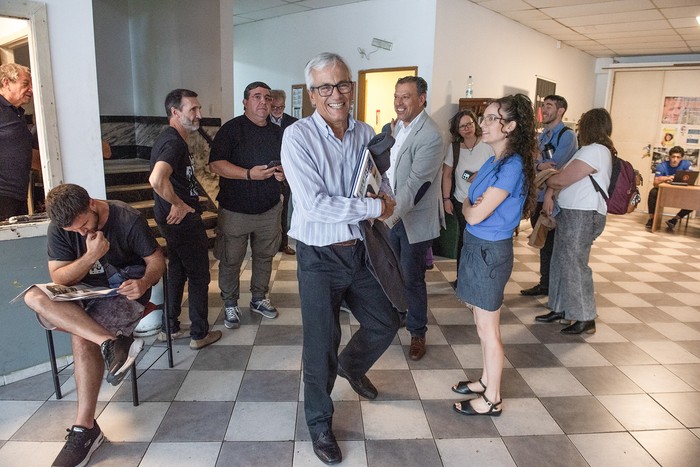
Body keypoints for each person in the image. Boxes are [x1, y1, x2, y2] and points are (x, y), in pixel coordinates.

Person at [281, 52, 400, 465]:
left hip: (360, 252)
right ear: (313, 95)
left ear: (352, 87)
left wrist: (384, 195)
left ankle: (353, 364)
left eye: (343, 84)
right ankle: (319, 422)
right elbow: (313, 206)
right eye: (326, 87)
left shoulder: (364, 131)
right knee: (320, 345)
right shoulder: (297, 138)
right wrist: (372, 209)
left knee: (387, 319)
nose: (336, 94)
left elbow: (374, 180)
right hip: (318, 257)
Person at [23, 183, 165, 467]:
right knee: (33, 295)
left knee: (81, 336)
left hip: (126, 291)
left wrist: (145, 282)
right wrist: (90, 256)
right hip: (83, 293)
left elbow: (157, 261)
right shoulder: (62, 227)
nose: (82, 233)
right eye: (74, 230)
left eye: (84, 224)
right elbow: (59, 276)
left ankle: (85, 429)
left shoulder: (127, 218)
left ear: (90, 203)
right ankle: (111, 343)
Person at [451, 94, 536, 417]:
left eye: (490, 119)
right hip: (477, 246)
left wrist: (471, 206)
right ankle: (486, 380)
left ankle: (493, 399)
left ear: (511, 126)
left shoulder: (512, 166)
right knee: (480, 323)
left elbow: (471, 213)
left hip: (490, 251)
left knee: (490, 330)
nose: (482, 124)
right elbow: (467, 198)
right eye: (483, 117)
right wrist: (472, 205)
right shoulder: (495, 159)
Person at [149, 89, 221, 349]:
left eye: (199, 108)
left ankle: (169, 327)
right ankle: (199, 334)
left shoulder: (173, 139)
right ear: (175, 112)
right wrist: (178, 203)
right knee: (200, 275)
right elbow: (157, 179)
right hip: (182, 220)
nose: (199, 114)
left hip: (171, 220)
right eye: (193, 109)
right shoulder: (173, 142)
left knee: (177, 270)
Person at [209, 82, 285, 328]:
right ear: (245, 102)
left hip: (270, 208)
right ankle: (230, 302)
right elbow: (215, 165)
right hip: (235, 210)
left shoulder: (278, 133)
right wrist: (248, 174)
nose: (263, 101)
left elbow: (289, 163)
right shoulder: (231, 130)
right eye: (256, 97)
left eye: (267, 97)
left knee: (265, 256)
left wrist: (284, 174)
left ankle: (259, 298)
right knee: (231, 259)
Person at [537, 108, 614, 334]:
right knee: (560, 261)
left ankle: (585, 316)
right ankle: (560, 308)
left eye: (582, 123)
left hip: (582, 214)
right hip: (570, 212)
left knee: (574, 264)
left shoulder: (596, 150)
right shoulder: (587, 150)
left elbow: (562, 178)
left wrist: (551, 184)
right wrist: (552, 189)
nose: (579, 127)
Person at [384, 76, 444, 361]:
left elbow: (415, 185)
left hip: (413, 221)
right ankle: (397, 316)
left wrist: (386, 216)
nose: (399, 102)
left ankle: (418, 331)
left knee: (412, 278)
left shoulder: (430, 135)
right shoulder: (397, 128)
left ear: (422, 99)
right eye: (397, 96)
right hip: (392, 215)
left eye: (406, 96)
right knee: (391, 273)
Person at [520, 95, 578, 297]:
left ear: (561, 110)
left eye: (549, 106)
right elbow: (531, 162)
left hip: (556, 199)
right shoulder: (541, 136)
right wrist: (539, 164)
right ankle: (545, 284)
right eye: (543, 106)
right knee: (543, 243)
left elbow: (556, 168)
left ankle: (556, 290)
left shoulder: (567, 136)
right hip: (539, 196)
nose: (544, 109)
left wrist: (540, 163)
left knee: (554, 246)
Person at [441, 109, 494, 288]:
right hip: (461, 201)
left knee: (482, 240)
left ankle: (481, 278)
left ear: (475, 124)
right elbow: (447, 174)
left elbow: (497, 169)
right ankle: (462, 278)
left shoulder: (487, 145)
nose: (467, 128)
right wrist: (446, 198)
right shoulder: (454, 148)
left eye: (469, 124)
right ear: (457, 129)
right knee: (464, 240)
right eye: (462, 126)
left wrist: (481, 174)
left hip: (485, 202)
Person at [0, 63, 37, 221]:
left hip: (19, 195)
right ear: (6, 82)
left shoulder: (17, 113)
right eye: (25, 84)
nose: (31, 90)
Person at [268, 89, 298, 255]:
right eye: (275, 107)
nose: (278, 111)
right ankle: (267, 244)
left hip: (287, 171)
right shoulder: (263, 121)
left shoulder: (293, 122)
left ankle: (283, 243)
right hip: (268, 170)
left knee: (285, 208)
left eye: (281, 107)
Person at [645, 146, 694, 232]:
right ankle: (652, 219)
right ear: (669, 157)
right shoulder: (661, 166)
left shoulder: (686, 164)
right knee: (653, 192)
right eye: (673, 157)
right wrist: (668, 178)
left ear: (681, 158)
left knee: (695, 198)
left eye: (678, 157)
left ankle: (675, 219)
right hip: (665, 192)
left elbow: (690, 178)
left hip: (681, 191)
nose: (675, 159)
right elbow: (655, 183)